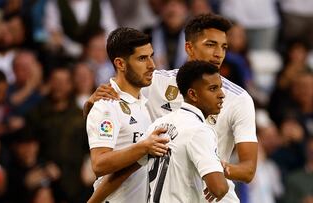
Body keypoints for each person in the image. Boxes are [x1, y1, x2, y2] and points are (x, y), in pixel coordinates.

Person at [86, 14, 258, 203]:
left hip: (213, 197)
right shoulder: (155, 83)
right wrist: (92, 103)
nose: (219, 54)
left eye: (224, 47)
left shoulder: (239, 99)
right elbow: (111, 113)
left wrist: (216, 167)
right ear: (189, 48)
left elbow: (248, 170)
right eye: (210, 45)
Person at [86, 27, 169, 203]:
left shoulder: (143, 103)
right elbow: (99, 164)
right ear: (120, 64)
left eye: (151, 56)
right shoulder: (107, 105)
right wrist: (144, 147)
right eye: (142, 58)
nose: (151, 65)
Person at [146, 60, 228, 202]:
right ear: (193, 94)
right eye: (213, 88)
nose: (222, 94)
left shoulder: (157, 125)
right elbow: (219, 188)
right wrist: (219, 178)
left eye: (220, 87)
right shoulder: (200, 131)